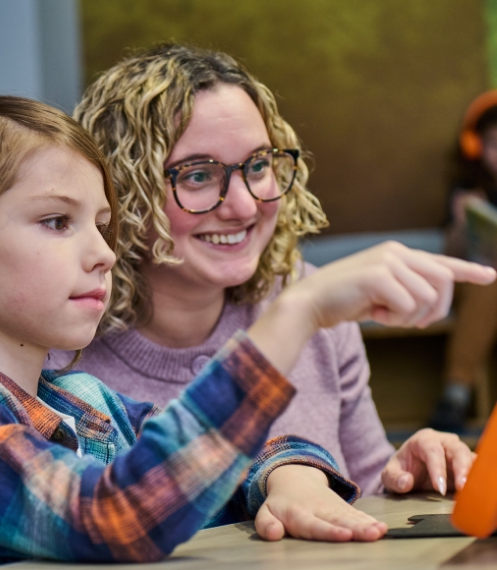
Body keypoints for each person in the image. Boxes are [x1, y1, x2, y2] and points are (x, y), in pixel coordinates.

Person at [0, 94, 377, 568]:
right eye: (57, 221)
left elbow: (199, 467)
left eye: (102, 226)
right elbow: (114, 517)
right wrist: (294, 316)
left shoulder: (89, 401)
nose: (105, 254)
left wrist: (287, 476)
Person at [49, 44, 489, 500]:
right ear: (120, 191)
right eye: (198, 175)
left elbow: (365, 488)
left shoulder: (304, 296)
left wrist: (407, 475)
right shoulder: (54, 346)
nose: (244, 206)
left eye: (258, 165)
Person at [429, 90, 497, 433]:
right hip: (478, 285)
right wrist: (462, 224)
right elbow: (451, 256)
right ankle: (455, 396)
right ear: (476, 147)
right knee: (488, 283)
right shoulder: (467, 190)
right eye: (494, 144)